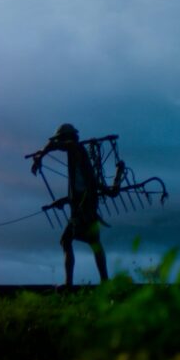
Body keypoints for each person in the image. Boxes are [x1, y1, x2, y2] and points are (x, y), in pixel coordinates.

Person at [30, 123, 109, 287]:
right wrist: (63, 201)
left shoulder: (75, 148)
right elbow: (79, 187)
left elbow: (55, 145)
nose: (60, 144)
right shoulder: (75, 155)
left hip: (85, 206)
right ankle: (101, 281)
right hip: (82, 204)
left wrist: (41, 155)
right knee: (82, 241)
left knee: (72, 241)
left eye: (61, 139)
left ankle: (71, 284)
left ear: (67, 138)